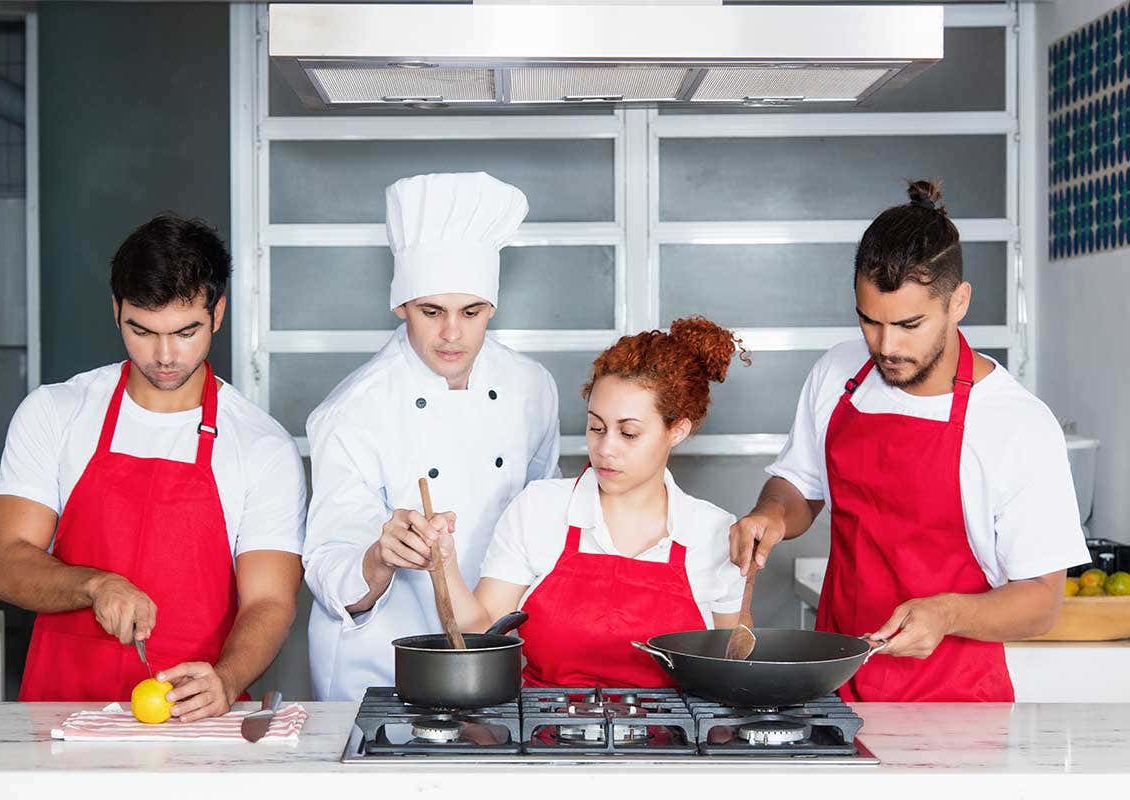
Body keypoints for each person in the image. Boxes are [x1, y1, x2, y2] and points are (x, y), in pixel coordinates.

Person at [729, 180, 1090, 701]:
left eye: (909, 324)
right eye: (869, 321)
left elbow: (1041, 603)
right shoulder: (838, 372)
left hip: (955, 706)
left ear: (958, 301)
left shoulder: (1018, 424)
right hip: (835, 688)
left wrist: (947, 613)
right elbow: (800, 487)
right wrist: (772, 514)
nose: (886, 346)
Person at [0, 214, 306, 719]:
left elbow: (269, 601)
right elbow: (1, 567)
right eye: (143, 331)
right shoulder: (55, 412)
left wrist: (227, 679)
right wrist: (94, 585)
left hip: (192, 725)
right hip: (58, 720)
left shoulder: (263, 446)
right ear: (116, 310)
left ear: (218, 313)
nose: (164, 355)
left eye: (185, 331)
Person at [303, 172, 561, 700]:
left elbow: (545, 520)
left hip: (497, 654)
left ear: (492, 307)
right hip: (382, 667)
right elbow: (327, 563)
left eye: (471, 312)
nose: (452, 333)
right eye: (431, 311)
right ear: (401, 306)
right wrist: (380, 556)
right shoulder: (352, 411)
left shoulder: (531, 387)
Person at [409, 317, 750, 688]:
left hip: (673, 728)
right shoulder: (540, 509)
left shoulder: (714, 532)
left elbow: (730, 670)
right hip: (545, 723)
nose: (605, 448)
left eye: (629, 433)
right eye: (596, 427)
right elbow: (481, 633)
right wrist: (444, 565)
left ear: (677, 430)